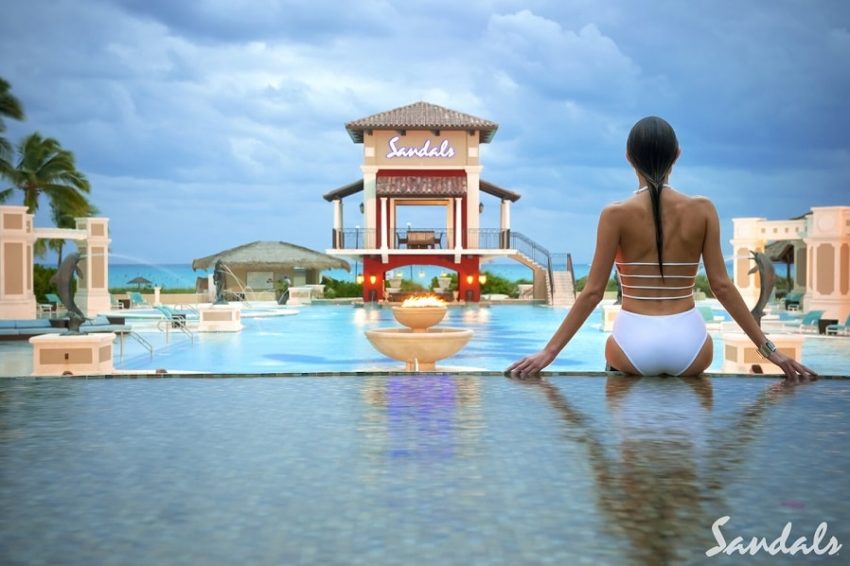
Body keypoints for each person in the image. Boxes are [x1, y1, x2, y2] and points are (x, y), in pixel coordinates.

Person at [507, 116, 816, 383]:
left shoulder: (614, 214)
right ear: (677, 155)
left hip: (632, 347)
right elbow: (722, 286)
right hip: (691, 347)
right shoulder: (704, 209)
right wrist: (772, 352)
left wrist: (549, 352)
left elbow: (592, 293)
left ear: (629, 157)